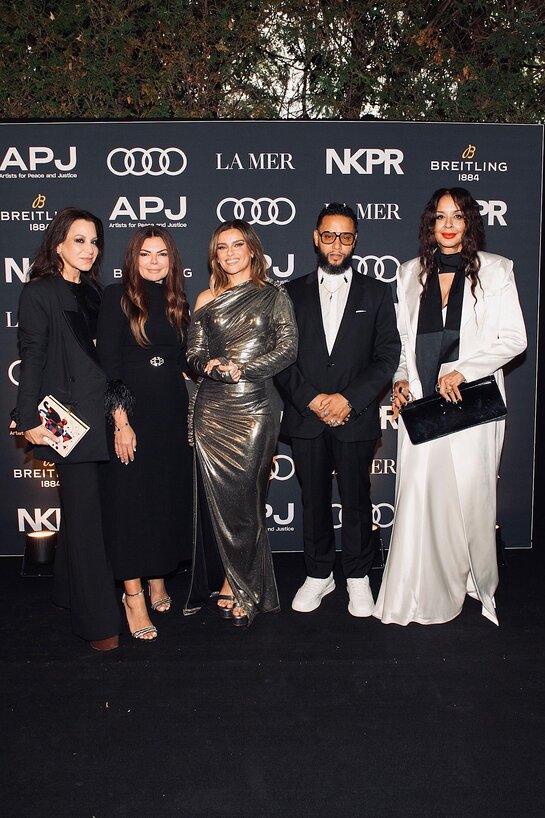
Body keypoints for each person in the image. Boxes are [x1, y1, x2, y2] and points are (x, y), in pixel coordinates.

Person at [374, 187, 527, 626]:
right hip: (422, 405)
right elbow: (402, 343)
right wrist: (401, 379)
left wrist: (465, 369)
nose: (447, 224)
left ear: (469, 223)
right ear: (429, 222)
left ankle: (475, 584)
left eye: (457, 216)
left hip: (471, 402)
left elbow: (514, 339)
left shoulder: (496, 270)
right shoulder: (408, 274)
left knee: (471, 496)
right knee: (420, 496)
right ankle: (417, 591)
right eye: (440, 216)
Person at [275, 203, 400, 617]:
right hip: (307, 417)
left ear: (355, 241)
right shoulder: (289, 293)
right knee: (312, 500)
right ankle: (318, 574)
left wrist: (349, 399)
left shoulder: (377, 292)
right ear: (315, 237)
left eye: (345, 237)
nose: (336, 244)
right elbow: (280, 358)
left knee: (357, 499)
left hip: (356, 416)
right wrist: (312, 399)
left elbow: (386, 357)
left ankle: (358, 576)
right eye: (329, 235)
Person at [14, 207, 121, 651]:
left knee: (88, 517)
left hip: (104, 417)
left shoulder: (96, 292)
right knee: (86, 522)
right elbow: (32, 355)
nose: (89, 249)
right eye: (79, 240)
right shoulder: (39, 292)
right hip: (66, 422)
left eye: (94, 241)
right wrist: (25, 420)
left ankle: (65, 591)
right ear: (58, 243)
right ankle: (99, 624)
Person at [185, 219, 297, 626]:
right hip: (212, 411)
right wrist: (210, 366)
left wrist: (242, 367)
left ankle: (242, 583)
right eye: (221, 247)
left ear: (252, 249)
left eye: (237, 245)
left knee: (247, 500)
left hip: (255, 409)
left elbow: (287, 349)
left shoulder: (273, 296)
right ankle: (232, 579)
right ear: (214, 255)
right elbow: (193, 353)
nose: (229, 253)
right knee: (220, 502)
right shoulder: (205, 298)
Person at [97, 227, 192, 641]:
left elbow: (185, 361)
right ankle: (133, 595)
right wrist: (121, 421)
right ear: (132, 259)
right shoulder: (115, 296)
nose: (154, 262)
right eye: (145, 254)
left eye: (162, 255)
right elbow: (108, 365)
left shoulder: (177, 301)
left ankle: (157, 578)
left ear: (172, 261)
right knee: (132, 504)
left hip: (170, 413)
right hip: (131, 414)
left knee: (163, 498)